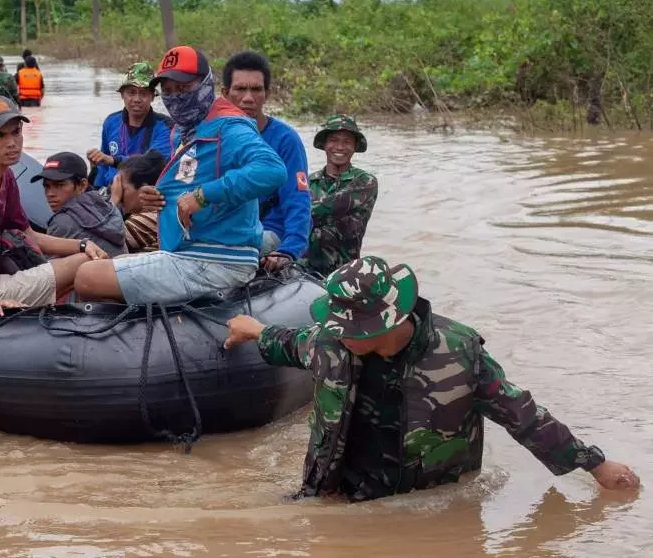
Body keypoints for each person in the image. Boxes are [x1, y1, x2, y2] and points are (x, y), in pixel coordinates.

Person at [223, 255, 641, 502]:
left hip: (429, 497)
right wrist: (253, 329)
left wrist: (595, 463)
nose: (344, 333)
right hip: (345, 494)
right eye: (340, 325)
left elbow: (523, 415)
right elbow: (291, 343)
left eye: (357, 327)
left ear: (393, 319)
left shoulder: (459, 352)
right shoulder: (331, 342)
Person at [73, 46, 286, 305]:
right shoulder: (183, 132)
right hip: (186, 251)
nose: (175, 98)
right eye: (169, 91)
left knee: (87, 276)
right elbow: (189, 182)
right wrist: (160, 198)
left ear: (205, 85)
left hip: (216, 259)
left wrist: (203, 195)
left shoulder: (230, 128)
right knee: (99, 264)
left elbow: (271, 170)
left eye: (184, 89)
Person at [0, 96, 109, 311]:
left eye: (16, 132)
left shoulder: (7, 178)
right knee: (84, 265)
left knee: (86, 256)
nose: (12, 142)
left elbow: (30, 236)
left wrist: (82, 244)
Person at [221, 51, 310, 272]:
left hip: (266, 231)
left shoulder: (285, 139)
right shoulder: (213, 135)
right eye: (240, 89)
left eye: (256, 89)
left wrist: (289, 251)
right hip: (222, 227)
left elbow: (298, 201)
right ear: (225, 93)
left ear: (267, 94)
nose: (248, 98)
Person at [305, 114, 378, 277]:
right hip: (303, 268)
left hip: (344, 273)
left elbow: (326, 207)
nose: (339, 147)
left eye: (347, 142)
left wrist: (291, 212)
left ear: (354, 147)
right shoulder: (310, 181)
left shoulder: (365, 181)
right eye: (333, 140)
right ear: (324, 145)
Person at [88, 62, 173, 188]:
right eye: (131, 92)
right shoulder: (111, 122)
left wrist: (113, 160)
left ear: (152, 97)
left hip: (143, 195)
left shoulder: (167, 127)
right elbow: (103, 167)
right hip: (109, 193)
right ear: (122, 94)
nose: (137, 99)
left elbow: (151, 163)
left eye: (143, 93)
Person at [32, 152, 127, 257]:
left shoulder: (62, 222)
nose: (50, 194)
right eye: (47, 186)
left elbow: (50, 269)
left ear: (82, 185)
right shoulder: (108, 206)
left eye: (59, 185)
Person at [109, 150, 166, 253]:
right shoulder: (158, 213)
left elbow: (99, 245)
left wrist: (113, 200)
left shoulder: (146, 220)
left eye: (123, 188)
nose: (118, 192)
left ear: (145, 189)